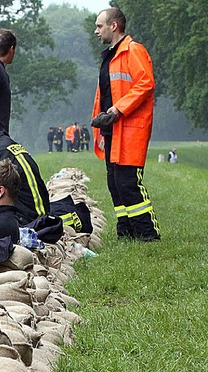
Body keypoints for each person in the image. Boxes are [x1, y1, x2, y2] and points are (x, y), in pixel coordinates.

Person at [92, 7, 160, 241]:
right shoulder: (111, 55)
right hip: (112, 129)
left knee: (128, 182)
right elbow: (105, 93)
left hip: (129, 129)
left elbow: (146, 84)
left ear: (114, 26)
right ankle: (126, 232)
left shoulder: (133, 51)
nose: (96, 31)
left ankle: (147, 234)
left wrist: (117, 110)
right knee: (114, 182)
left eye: (99, 26)